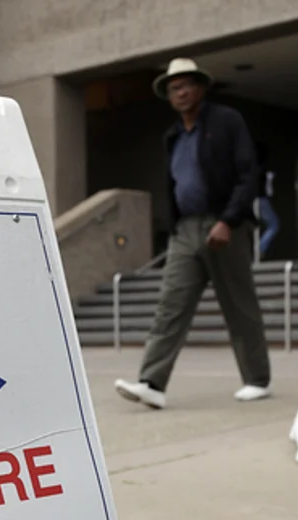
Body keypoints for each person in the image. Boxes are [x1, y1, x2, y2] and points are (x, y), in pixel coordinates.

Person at [114, 58, 271, 409]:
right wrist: (174, 228)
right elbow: (174, 184)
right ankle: (152, 382)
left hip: (224, 224)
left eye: (186, 85)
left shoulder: (226, 121)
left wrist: (229, 220)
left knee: (238, 305)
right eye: (174, 88)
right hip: (185, 229)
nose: (181, 93)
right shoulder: (172, 137)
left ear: (200, 88)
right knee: (171, 304)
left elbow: (248, 174)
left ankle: (257, 379)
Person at [256, 143, 280, 257]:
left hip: (254, 199)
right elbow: (269, 189)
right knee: (274, 225)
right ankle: (259, 249)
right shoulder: (263, 170)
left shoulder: (251, 167)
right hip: (261, 199)